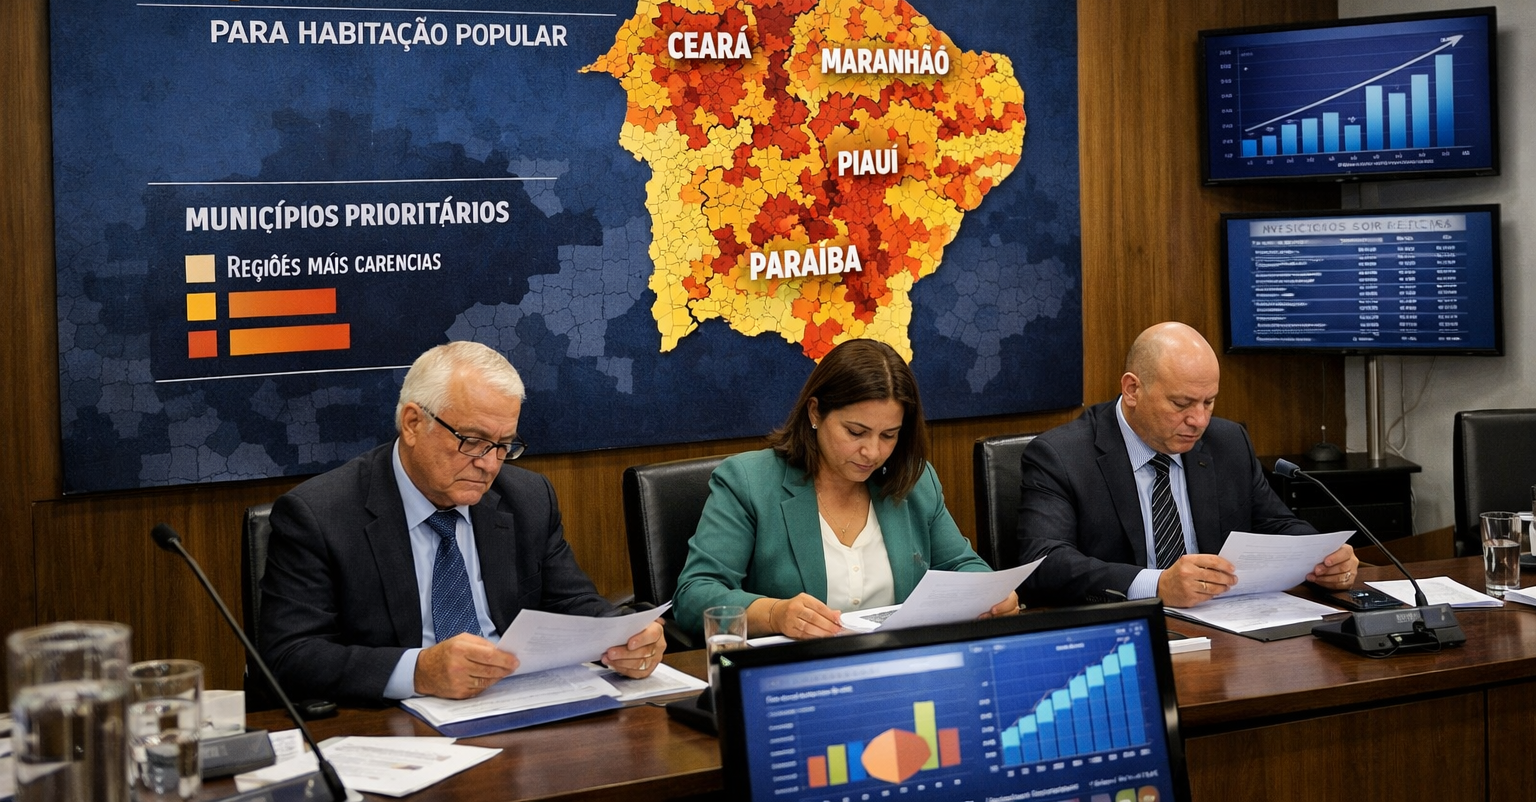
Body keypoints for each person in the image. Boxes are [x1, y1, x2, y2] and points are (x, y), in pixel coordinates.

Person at [260, 341, 665, 706]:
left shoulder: (527, 498)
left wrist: (623, 636)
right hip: (396, 726)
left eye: (504, 445)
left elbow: (570, 603)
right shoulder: (320, 514)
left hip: (519, 706)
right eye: (471, 441)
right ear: (413, 423)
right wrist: (418, 670)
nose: (489, 464)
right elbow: (291, 656)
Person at [673, 338, 1019, 640]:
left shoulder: (913, 479)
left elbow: (961, 565)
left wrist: (991, 593)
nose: (872, 451)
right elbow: (695, 595)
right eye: (856, 432)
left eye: (889, 435)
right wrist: (774, 614)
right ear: (815, 412)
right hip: (797, 674)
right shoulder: (749, 481)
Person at [1016, 321, 1358, 607]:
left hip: (1224, 625)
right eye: (1182, 403)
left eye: (1208, 402)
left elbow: (1278, 525)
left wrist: (1324, 557)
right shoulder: (1061, 456)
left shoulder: (1228, 442)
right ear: (1132, 389)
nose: (1199, 420)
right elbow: (1044, 562)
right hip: (1125, 630)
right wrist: (1158, 584)